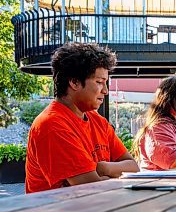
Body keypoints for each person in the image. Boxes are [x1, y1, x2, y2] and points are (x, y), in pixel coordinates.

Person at [26, 43, 139, 193]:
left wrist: (103, 167)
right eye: (99, 82)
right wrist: (114, 175)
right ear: (74, 82)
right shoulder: (52, 124)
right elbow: (91, 189)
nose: (105, 91)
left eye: (106, 83)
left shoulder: (97, 120)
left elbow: (133, 167)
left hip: (92, 210)